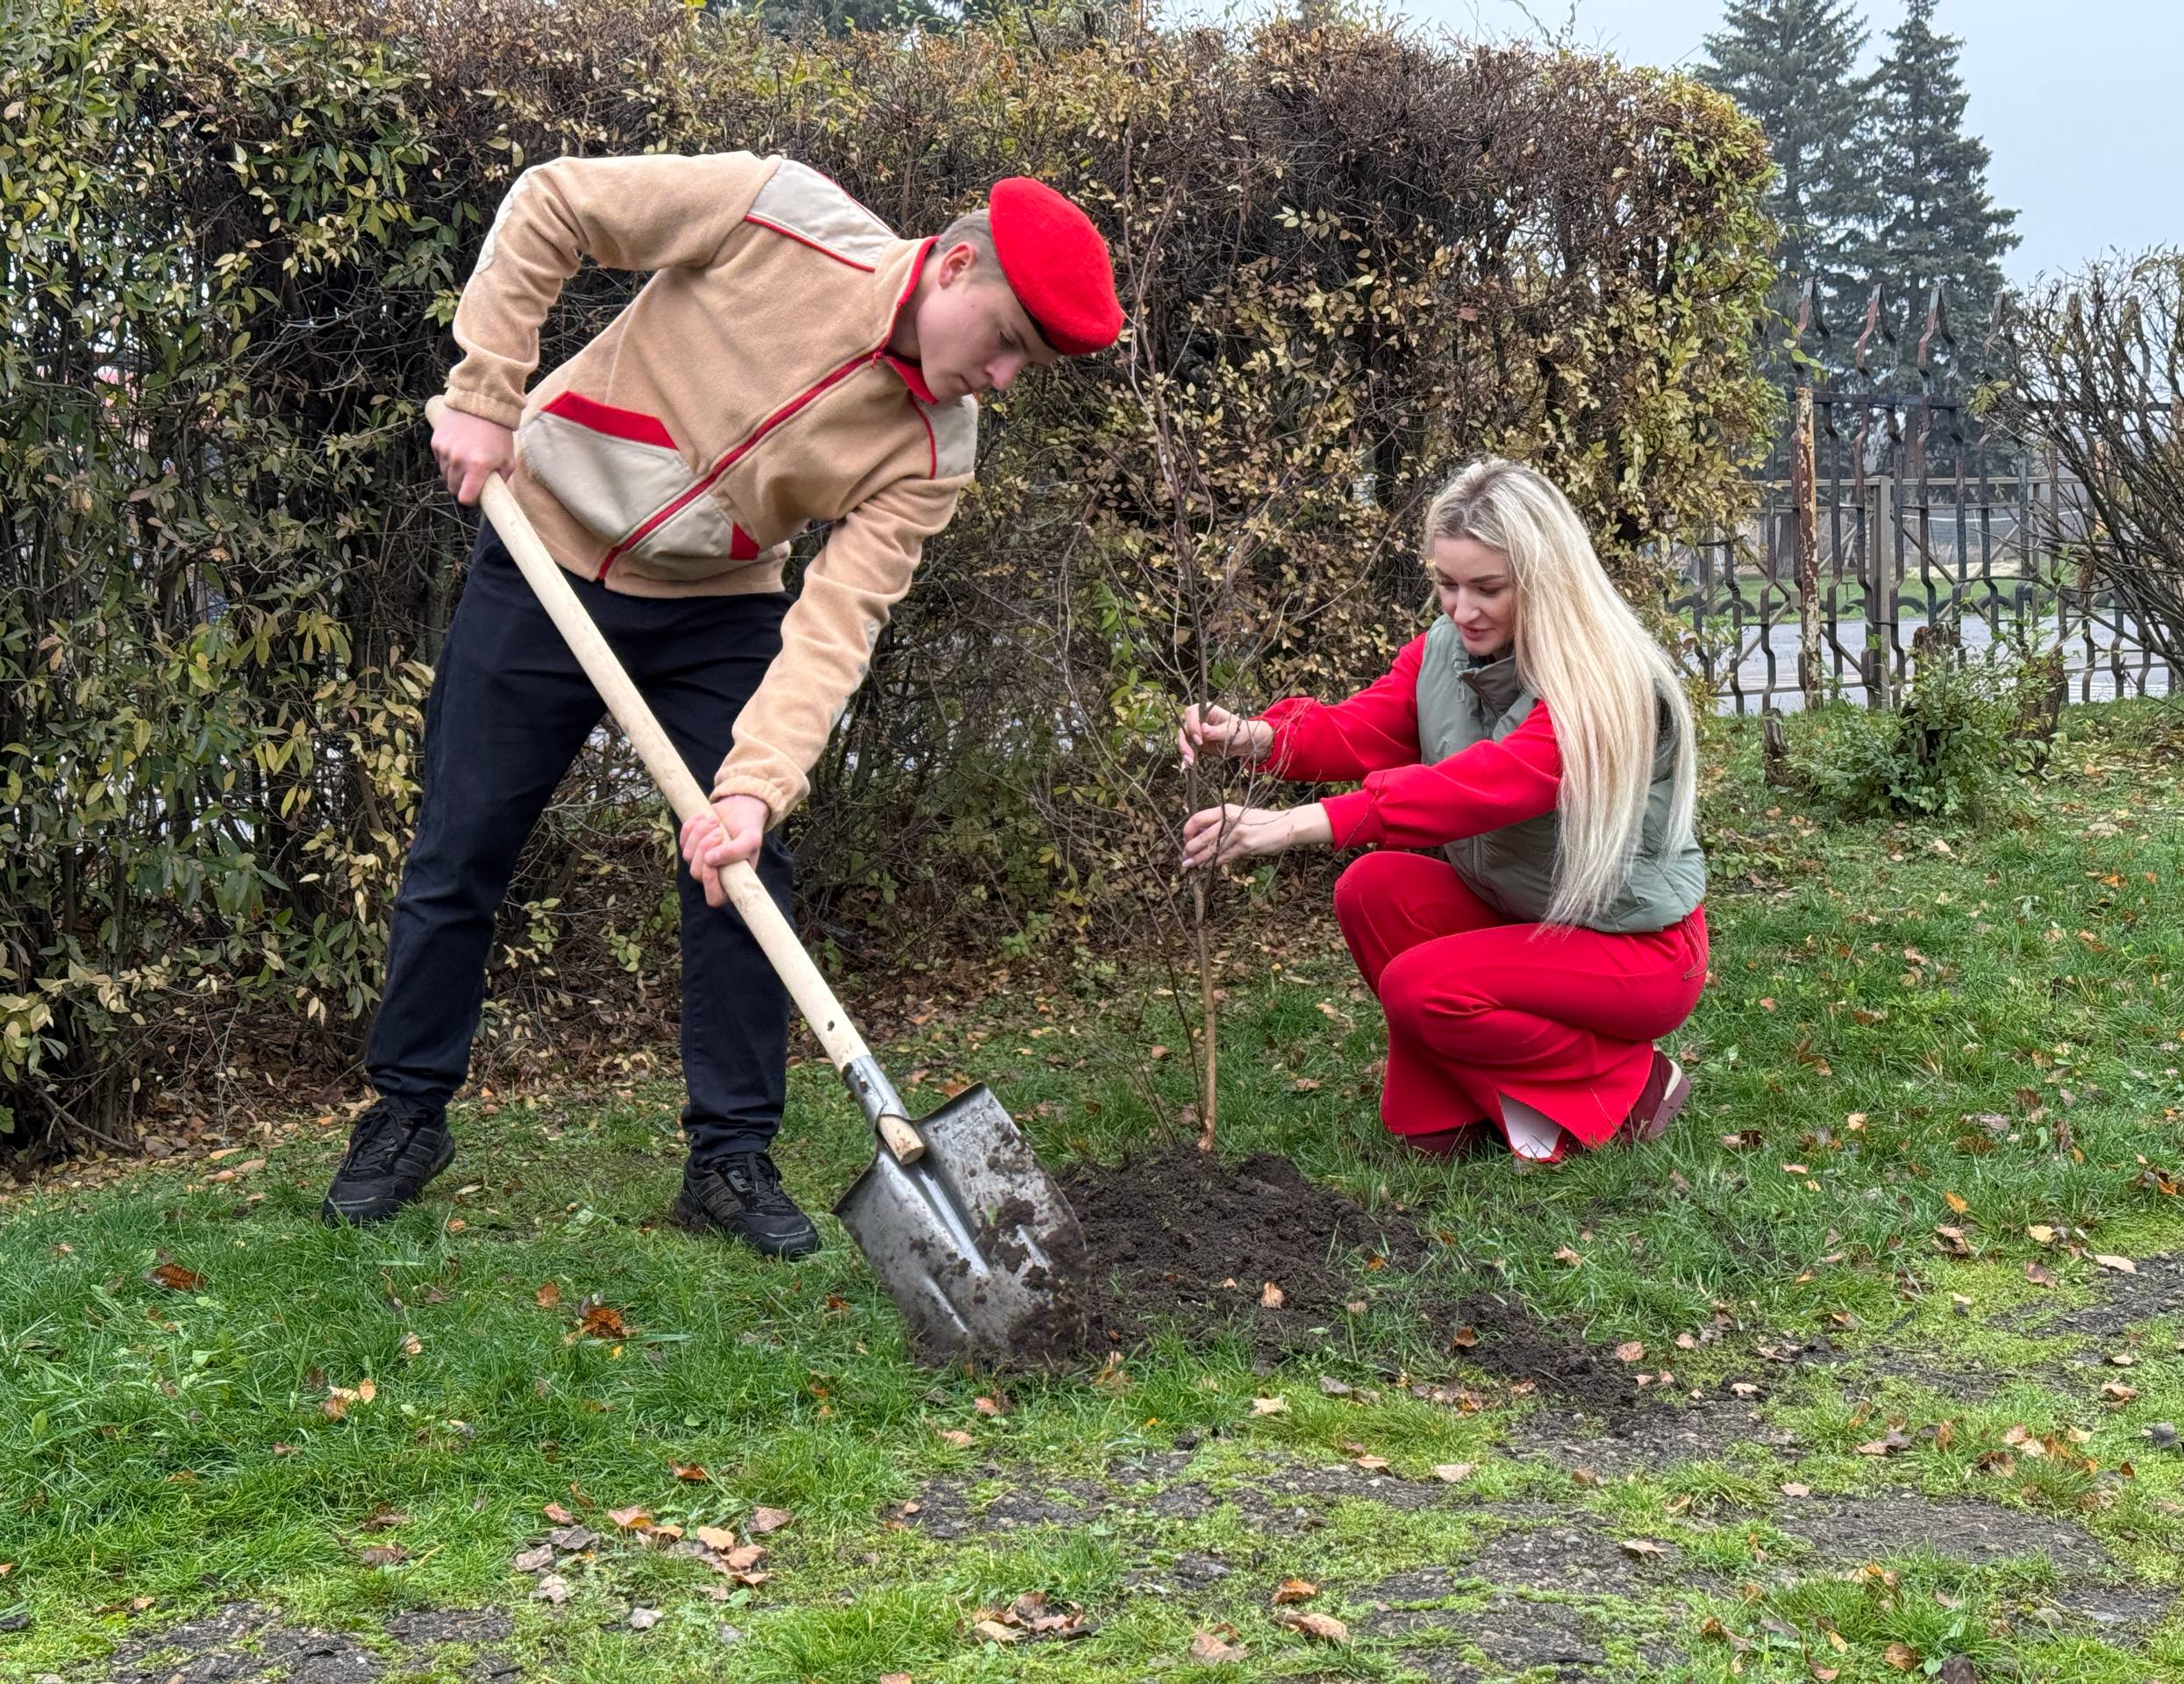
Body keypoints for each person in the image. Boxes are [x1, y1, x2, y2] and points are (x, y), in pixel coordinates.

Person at [321, 157, 1123, 1252]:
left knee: (742, 867)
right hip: (543, 546)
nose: (1003, 377)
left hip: (714, 607)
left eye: (1025, 364)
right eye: (1006, 343)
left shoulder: (935, 448)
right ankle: (406, 1115)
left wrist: (754, 786)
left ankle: (730, 1159)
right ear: (956, 264)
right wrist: (484, 394)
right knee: (463, 841)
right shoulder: (779, 213)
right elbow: (554, 202)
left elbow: (839, 622)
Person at [1177, 458, 1708, 1162]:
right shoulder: (1445, 649)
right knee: (1371, 890)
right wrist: (1255, 735)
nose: (1462, 610)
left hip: (1632, 950)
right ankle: (1468, 1111)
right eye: (1447, 584)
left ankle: (1634, 1083)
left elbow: (1492, 783)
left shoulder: (1609, 685)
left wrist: (1297, 825)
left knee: (1422, 989)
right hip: (1526, 914)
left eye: (1488, 588)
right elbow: (1365, 727)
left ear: (1546, 580)